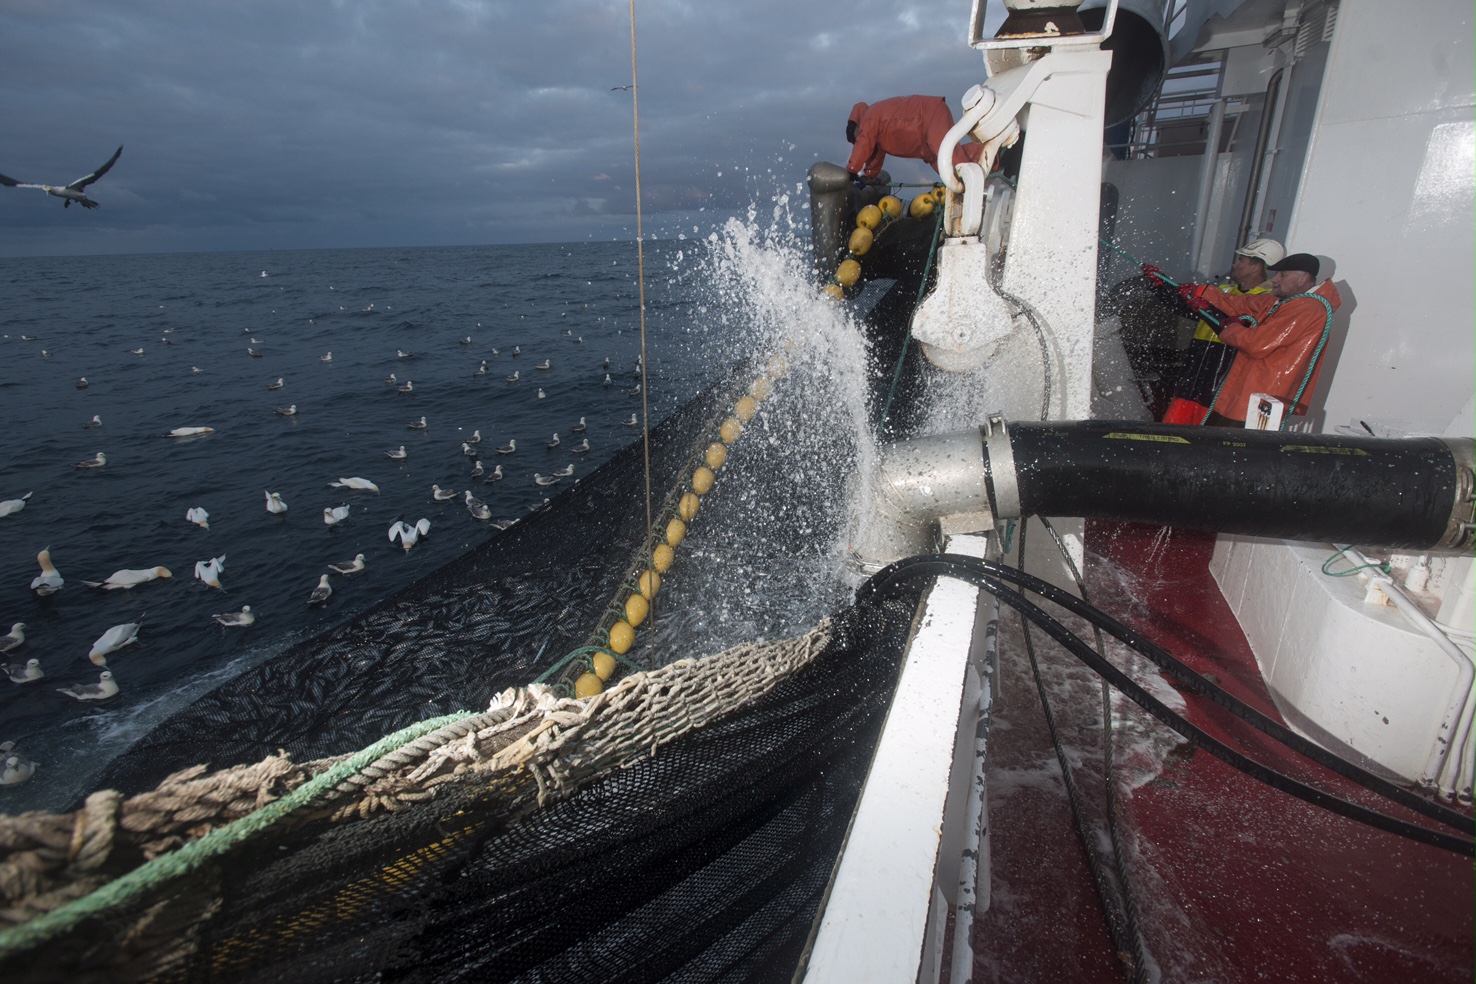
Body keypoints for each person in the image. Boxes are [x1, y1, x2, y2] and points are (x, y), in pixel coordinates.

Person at [1177, 252, 1341, 427]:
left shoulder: (1307, 309)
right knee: (1217, 444)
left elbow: (1255, 344)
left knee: (1234, 449)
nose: (1274, 279)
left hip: (1261, 403)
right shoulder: (1282, 301)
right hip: (1241, 396)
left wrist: (1227, 326)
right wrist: (1206, 293)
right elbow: (1242, 304)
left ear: (1303, 279)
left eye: (1282, 275)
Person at [1156, 238, 1285, 423]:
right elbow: (1189, 310)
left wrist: (1206, 305)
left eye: (1241, 260)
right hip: (1194, 375)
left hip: (1219, 383)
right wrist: (1161, 285)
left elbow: (1239, 325)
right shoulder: (1224, 291)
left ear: (1256, 267)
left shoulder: (1265, 301)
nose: (1235, 264)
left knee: (1205, 434)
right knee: (1175, 428)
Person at [846, 96, 985, 181]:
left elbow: (864, 143)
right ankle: (986, 158)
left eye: (856, 140)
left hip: (928, 117)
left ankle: (972, 182)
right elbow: (875, 153)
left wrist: (851, 170)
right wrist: (869, 175)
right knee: (946, 168)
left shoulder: (869, 117)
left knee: (951, 158)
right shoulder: (875, 129)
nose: (858, 142)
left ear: (857, 127)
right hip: (924, 136)